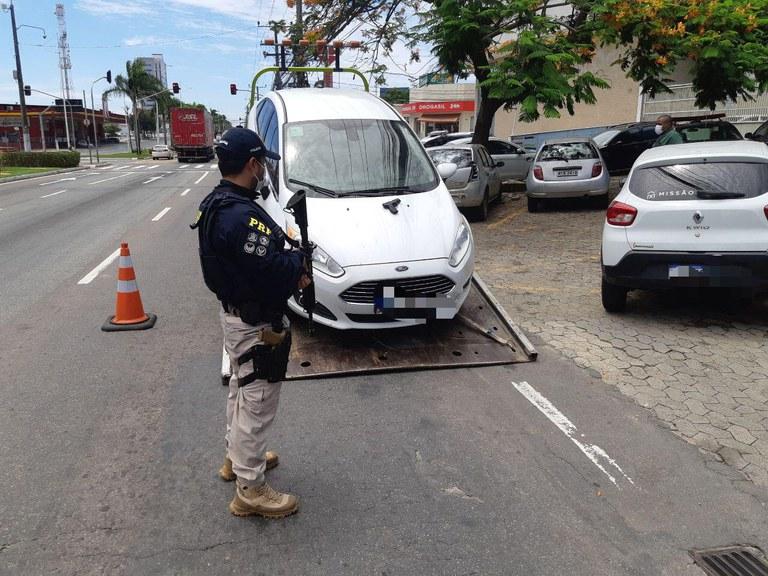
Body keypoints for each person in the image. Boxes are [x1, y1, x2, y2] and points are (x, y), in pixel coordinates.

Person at [192, 127, 311, 519]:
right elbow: (272, 271)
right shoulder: (239, 216)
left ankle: (238, 459)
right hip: (254, 323)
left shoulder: (221, 201)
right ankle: (250, 490)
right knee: (257, 399)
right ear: (252, 164)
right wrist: (298, 264)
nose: (263, 172)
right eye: (262, 165)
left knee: (242, 390)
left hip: (238, 316)